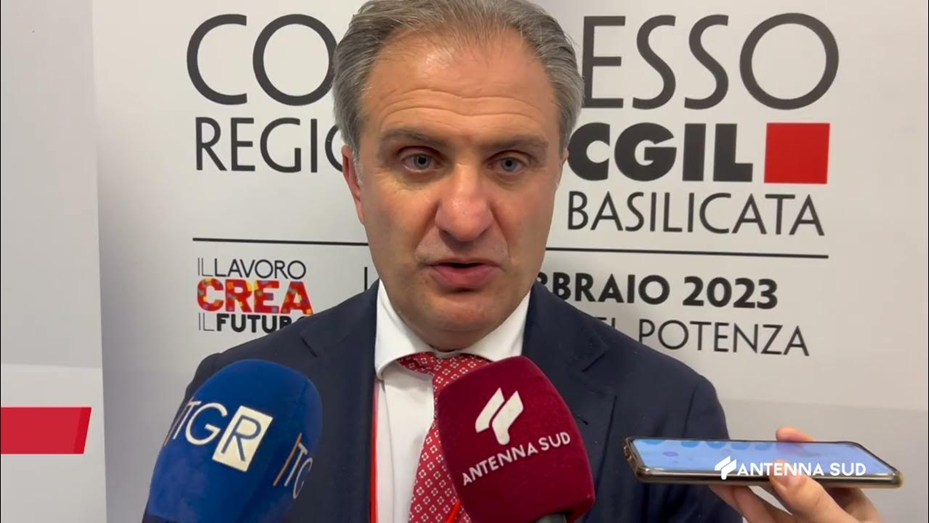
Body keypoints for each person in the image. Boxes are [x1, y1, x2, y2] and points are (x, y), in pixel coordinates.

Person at [154, 1, 884, 521]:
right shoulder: (239, 394)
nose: (465, 217)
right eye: (418, 159)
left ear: (556, 174)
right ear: (355, 179)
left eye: (509, 162)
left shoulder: (667, 407)